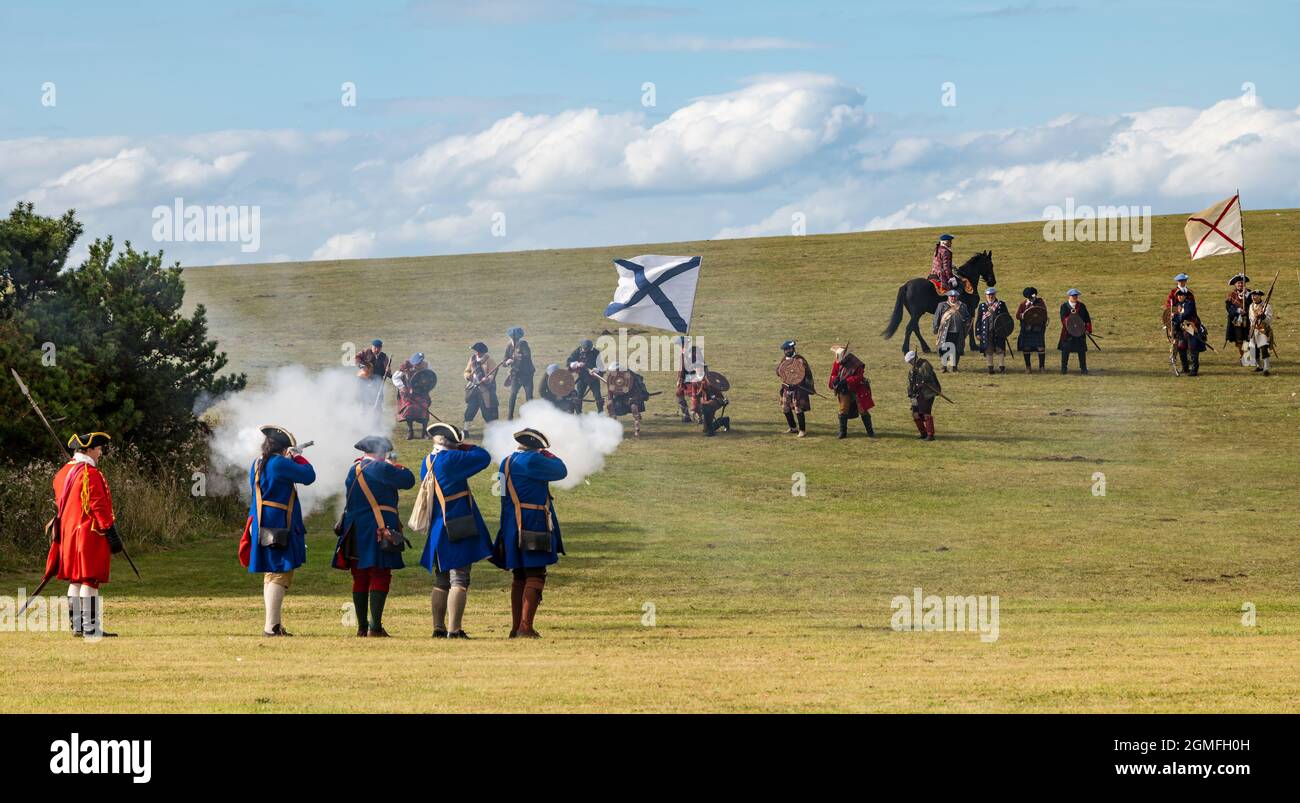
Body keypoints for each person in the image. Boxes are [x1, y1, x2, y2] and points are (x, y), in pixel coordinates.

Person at [331, 436, 415, 637]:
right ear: (382, 452)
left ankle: (362, 627)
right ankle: (375, 627)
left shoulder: (355, 469)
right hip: (377, 528)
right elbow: (408, 480)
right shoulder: (381, 468)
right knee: (379, 573)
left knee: (359, 575)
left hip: (355, 530)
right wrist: (395, 466)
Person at [418, 423, 495, 639]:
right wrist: (464, 447)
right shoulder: (451, 459)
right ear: (452, 443)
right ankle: (454, 629)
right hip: (455, 525)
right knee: (460, 579)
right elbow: (483, 457)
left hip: (437, 528)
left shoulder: (428, 460)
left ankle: (438, 628)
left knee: (441, 580)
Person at [490, 428, 567, 639]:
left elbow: (503, 496)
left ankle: (516, 627)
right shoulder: (534, 460)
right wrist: (547, 453)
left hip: (510, 524)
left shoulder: (505, 461)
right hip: (533, 523)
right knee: (535, 574)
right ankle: (525, 627)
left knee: (519, 575)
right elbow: (561, 470)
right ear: (536, 446)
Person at [240, 425, 316, 637]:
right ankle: (271, 627)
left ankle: (273, 624)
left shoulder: (257, 463)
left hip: (262, 522)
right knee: (279, 573)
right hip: (278, 523)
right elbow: (309, 476)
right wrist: (297, 457)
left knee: (272, 573)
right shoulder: (280, 463)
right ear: (284, 448)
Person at [50, 432, 122, 638]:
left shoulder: (63, 472)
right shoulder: (91, 473)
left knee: (76, 579)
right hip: (89, 532)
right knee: (90, 579)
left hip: (68, 533)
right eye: (98, 449)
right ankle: (91, 628)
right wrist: (110, 530)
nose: (100, 453)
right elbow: (98, 504)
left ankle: (77, 626)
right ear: (89, 449)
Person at [829, 344, 875, 438]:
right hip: (844, 390)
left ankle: (870, 432)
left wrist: (846, 381)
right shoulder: (837, 362)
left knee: (862, 410)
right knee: (843, 409)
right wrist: (835, 381)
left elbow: (859, 377)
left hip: (857, 388)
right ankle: (843, 432)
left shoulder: (856, 363)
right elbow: (833, 374)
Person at [605, 361, 651, 437]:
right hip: (620, 398)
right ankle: (613, 429)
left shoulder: (632, 377)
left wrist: (633, 399)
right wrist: (610, 400)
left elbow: (637, 392)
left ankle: (637, 429)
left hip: (632, 397)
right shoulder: (612, 378)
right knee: (610, 405)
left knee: (634, 407)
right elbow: (610, 391)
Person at [777, 340, 813, 437]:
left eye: (789, 349)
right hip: (786, 388)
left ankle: (802, 430)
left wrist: (796, 382)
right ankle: (793, 428)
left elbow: (805, 374)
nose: (787, 351)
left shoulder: (800, 360)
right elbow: (779, 372)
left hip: (798, 389)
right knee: (785, 408)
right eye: (786, 349)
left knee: (798, 409)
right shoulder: (784, 359)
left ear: (793, 348)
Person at [393, 352, 432, 440]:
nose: (417, 366)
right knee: (409, 409)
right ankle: (410, 431)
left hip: (422, 391)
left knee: (424, 408)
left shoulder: (427, 365)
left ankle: (424, 432)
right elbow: (395, 377)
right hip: (408, 392)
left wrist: (427, 386)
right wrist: (402, 387)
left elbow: (431, 377)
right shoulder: (406, 365)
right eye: (416, 364)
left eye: (419, 363)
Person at [463, 342, 499, 436]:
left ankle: (492, 432)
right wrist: (467, 376)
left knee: (486, 412)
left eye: (478, 351)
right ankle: (466, 430)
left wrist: (487, 379)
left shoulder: (490, 361)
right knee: (470, 410)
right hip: (473, 388)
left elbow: (492, 374)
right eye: (476, 351)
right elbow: (467, 371)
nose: (476, 353)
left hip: (484, 390)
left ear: (482, 352)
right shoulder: (472, 359)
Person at [1170, 287, 1206, 376]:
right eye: (1178, 295)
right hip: (1182, 330)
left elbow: (1185, 315)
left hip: (1191, 328)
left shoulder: (1190, 303)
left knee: (1193, 348)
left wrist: (1175, 316)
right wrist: (1172, 320)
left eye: (1181, 295)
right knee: (1181, 347)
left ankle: (1194, 370)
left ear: (1185, 296)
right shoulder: (1178, 305)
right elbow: (1178, 319)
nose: (1179, 297)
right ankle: (1185, 368)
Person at [904, 351, 939, 441]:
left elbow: (927, 377)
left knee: (926, 413)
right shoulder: (912, 370)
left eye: (911, 360)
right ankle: (923, 433)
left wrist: (919, 380)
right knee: (915, 414)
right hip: (916, 394)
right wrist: (910, 392)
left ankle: (930, 435)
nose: (910, 363)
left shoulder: (925, 364)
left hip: (927, 393)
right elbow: (910, 383)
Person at [932, 289, 969, 372]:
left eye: (954, 296)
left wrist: (966, 323)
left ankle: (954, 366)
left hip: (958, 331)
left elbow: (967, 317)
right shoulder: (942, 305)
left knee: (957, 349)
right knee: (945, 348)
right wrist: (935, 328)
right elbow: (936, 318)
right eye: (951, 296)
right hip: (946, 331)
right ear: (948, 297)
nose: (953, 298)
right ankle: (944, 366)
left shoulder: (962, 306)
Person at [975, 287, 1010, 374]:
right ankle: (990, 368)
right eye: (988, 295)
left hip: (998, 331)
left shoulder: (1001, 304)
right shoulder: (982, 306)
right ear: (986, 296)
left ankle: (1001, 367)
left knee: (1000, 349)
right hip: (986, 332)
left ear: (995, 295)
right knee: (988, 349)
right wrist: (978, 332)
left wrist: (1006, 330)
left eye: (992, 295)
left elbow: (1006, 318)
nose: (990, 296)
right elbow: (979, 320)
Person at [502, 327, 535, 419]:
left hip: (527, 375)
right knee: (512, 395)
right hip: (515, 376)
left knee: (529, 397)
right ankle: (510, 417)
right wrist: (507, 362)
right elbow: (504, 362)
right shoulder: (509, 346)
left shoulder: (523, 344)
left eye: (515, 338)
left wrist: (514, 358)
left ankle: (531, 417)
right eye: (512, 338)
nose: (514, 340)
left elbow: (526, 357)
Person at [1058, 289, 1092, 375]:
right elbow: (1063, 319)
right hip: (1067, 332)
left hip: (1080, 332)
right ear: (1069, 296)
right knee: (1065, 351)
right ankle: (1063, 369)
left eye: (1076, 296)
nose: (1075, 297)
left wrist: (1087, 329)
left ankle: (1083, 368)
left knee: (1081, 351)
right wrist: (1071, 325)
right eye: (1073, 296)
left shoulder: (1082, 306)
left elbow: (1087, 319)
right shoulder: (1064, 306)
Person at [1015, 287, 1049, 373]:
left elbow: (1044, 314)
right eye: (1029, 297)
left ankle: (1042, 367)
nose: (1031, 298)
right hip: (1026, 329)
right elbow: (1017, 315)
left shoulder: (1040, 303)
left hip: (1038, 329)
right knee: (1026, 348)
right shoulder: (1023, 304)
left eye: (1032, 297)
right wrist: (1024, 315)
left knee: (1040, 347)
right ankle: (1028, 367)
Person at [689, 367, 730, 436]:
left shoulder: (710, 378)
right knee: (705, 429)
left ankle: (711, 432)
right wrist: (694, 408)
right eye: (697, 369)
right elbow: (695, 396)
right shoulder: (694, 381)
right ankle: (723, 421)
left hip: (717, 399)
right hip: (707, 402)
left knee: (706, 407)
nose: (699, 370)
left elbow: (716, 391)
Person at [567, 339, 605, 413]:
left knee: (598, 396)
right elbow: (569, 362)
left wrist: (595, 370)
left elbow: (601, 367)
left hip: (593, 378)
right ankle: (579, 414)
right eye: (585, 349)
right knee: (579, 397)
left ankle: (601, 413)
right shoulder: (577, 352)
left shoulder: (596, 353)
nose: (586, 351)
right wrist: (576, 364)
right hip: (582, 378)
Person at [674, 336, 705, 423]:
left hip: (696, 378)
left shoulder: (695, 352)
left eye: (683, 345)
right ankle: (686, 415)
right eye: (680, 345)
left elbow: (700, 366)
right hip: (687, 379)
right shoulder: (682, 354)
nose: (681, 347)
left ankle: (700, 417)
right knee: (678, 393)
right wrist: (679, 378)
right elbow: (681, 369)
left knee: (695, 395)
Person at [355, 339, 391, 407]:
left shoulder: (384, 357)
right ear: (372, 346)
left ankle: (377, 415)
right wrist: (361, 365)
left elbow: (388, 373)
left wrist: (388, 371)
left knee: (378, 401)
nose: (377, 350)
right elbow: (357, 358)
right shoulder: (366, 352)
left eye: (379, 348)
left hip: (377, 382)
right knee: (363, 399)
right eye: (375, 347)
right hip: (364, 379)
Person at [1247, 288, 1274, 376]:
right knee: (1254, 350)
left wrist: (1263, 316)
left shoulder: (1266, 306)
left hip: (1263, 330)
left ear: (1260, 296)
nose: (1254, 297)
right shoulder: (1251, 306)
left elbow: (1269, 320)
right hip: (1253, 330)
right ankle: (1259, 366)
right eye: (1253, 295)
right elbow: (1250, 318)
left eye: (1256, 295)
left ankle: (1266, 368)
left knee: (1264, 349)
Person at [1225, 273, 1251, 358]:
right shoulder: (1231, 295)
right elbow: (1229, 308)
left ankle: (1247, 356)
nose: (1240, 284)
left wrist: (1245, 310)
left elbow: (1252, 305)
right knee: (1239, 339)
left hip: (1248, 320)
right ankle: (1242, 355)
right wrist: (1238, 310)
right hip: (1237, 320)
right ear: (1235, 284)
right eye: (1238, 283)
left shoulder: (1249, 294)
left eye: (1242, 282)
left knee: (1247, 338)